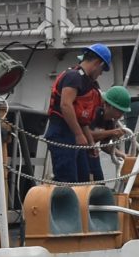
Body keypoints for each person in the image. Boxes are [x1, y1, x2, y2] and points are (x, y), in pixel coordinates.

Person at [48, 45, 115, 182]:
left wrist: (90, 142)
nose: (101, 74)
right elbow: (66, 105)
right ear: (98, 63)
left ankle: (79, 203)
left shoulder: (88, 83)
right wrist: (79, 135)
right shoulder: (73, 77)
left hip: (74, 133)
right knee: (67, 180)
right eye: (102, 69)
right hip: (61, 133)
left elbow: (81, 118)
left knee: (83, 179)